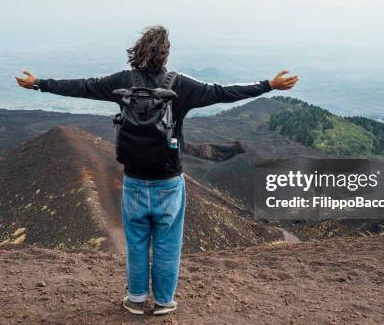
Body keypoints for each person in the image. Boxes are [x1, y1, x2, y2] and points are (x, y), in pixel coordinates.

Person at [15, 25, 298, 316]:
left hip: (135, 180)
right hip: (168, 181)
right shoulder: (181, 85)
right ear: (165, 54)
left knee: (136, 242)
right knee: (167, 244)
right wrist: (268, 85)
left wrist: (39, 83)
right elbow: (223, 93)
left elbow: (83, 86)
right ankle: (164, 301)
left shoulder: (122, 81)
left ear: (138, 51)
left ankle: (136, 299)